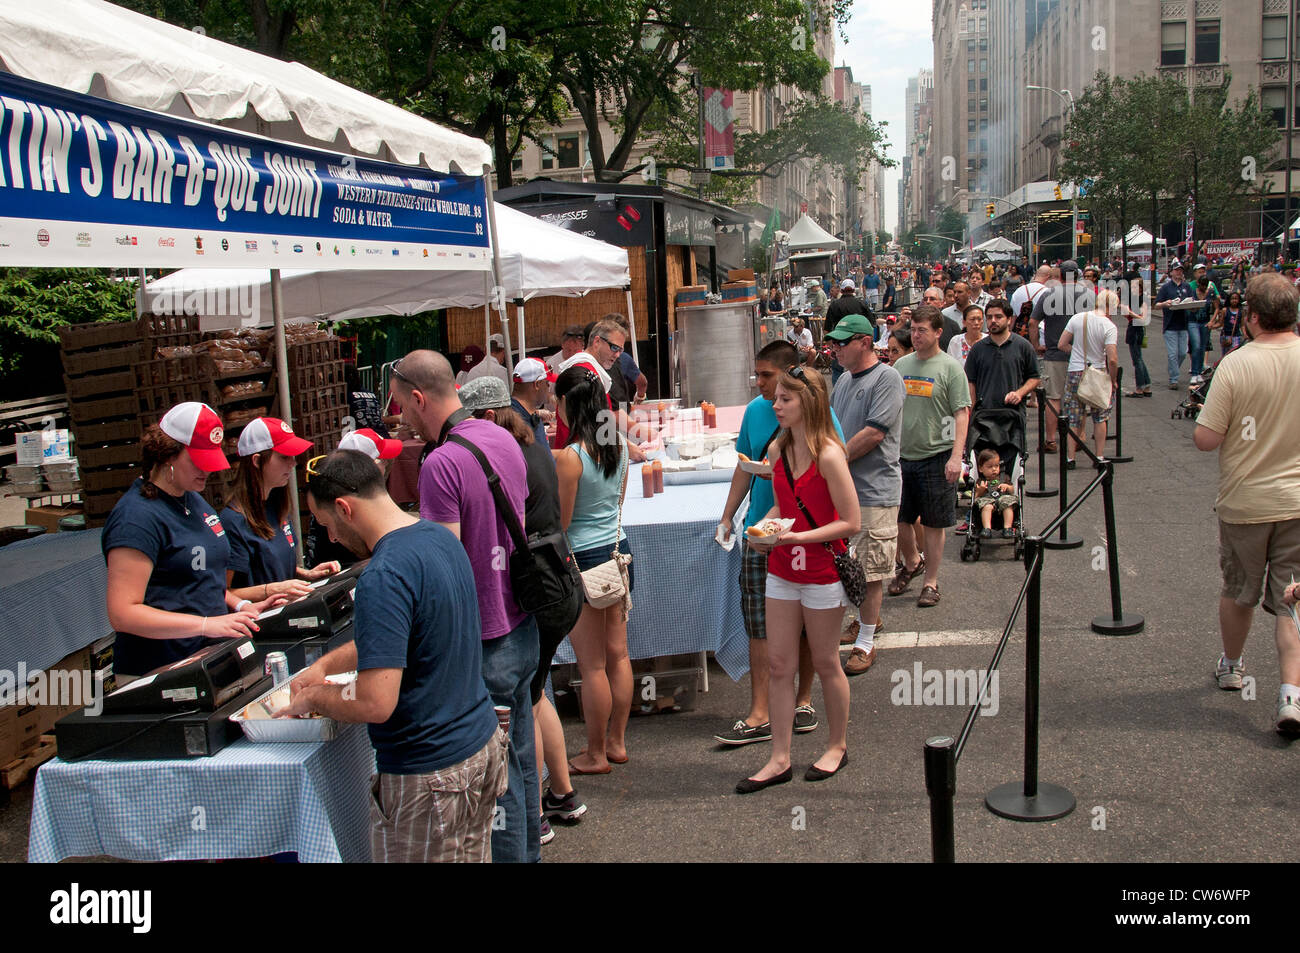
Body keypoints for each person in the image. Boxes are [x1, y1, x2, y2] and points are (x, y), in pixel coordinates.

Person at [284, 450, 507, 862]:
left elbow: (375, 701)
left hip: (430, 775)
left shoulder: (383, 574)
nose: (331, 538)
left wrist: (314, 698)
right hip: (480, 745)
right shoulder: (439, 536)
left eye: (327, 525)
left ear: (344, 508)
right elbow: (410, 633)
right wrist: (325, 666)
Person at [389, 349, 540, 863]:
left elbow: (445, 565)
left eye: (399, 405)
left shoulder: (441, 462)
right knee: (520, 759)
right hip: (522, 621)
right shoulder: (502, 436)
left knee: (496, 782)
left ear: (417, 397)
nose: (398, 417)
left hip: (484, 635)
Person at [457, 375, 587, 845]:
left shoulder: (501, 453)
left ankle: (535, 815)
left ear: (487, 417)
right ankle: (562, 795)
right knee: (533, 694)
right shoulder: (531, 444)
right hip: (557, 578)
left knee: (523, 703)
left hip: (534, 588)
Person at [736, 365, 859, 793]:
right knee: (779, 664)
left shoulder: (829, 453)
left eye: (785, 399)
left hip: (823, 571)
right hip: (783, 569)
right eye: (777, 398)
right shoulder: (778, 451)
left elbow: (851, 521)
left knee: (825, 662)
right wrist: (762, 531)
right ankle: (779, 757)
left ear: (807, 402)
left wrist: (798, 535)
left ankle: (838, 745)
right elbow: (779, 507)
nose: (776, 405)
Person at [102, 403, 286, 678]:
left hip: (209, 657)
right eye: (197, 460)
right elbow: (123, 613)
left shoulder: (192, 499)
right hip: (161, 668)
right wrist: (205, 625)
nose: (207, 471)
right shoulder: (136, 518)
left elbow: (199, 580)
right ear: (167, 455)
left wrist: (240, 606)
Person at [717, 340, 841, 745]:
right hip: (764, 532)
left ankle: (803, 702)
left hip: (809, 537)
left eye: (767, 376)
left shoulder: (823, 419)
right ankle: (760, 710)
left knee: (808, 630)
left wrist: (792, 481)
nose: (760, 384)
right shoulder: (756, 414)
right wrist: (728, 516)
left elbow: (836, 476)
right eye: (758, 375)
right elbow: (744, 468)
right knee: (759, 624)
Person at [1193, 273, 1300, 735]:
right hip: (1297, 502)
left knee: (1240, 590)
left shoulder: (1236, 365)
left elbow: (1205, 439)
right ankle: (1290, 696)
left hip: (1246, 502)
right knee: (1292, 601)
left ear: (1252, 317)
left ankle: (1233, 665)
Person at [553, 365, 634, 775]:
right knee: (618, 655)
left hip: (583, 561)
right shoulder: (617, 444)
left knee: (592, 665)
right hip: (618, 554)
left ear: (568, 404)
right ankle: (617, 742)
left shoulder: (571, 458)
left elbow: (562, 523)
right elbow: (617, 505)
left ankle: (596, 752)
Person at [828, 314, 906, 676]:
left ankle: (866, 641)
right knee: (850, 563)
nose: (836, 349)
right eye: (834, 343)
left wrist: (833, 459)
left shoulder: (887, 379)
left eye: (842, 343)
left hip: (874, 489)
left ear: (864, 341)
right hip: (845, 488)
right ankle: (864, 623)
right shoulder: (843, 380)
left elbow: (875, 433)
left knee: (871, 569)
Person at [887, 305, 970, 608]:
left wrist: (956, 457)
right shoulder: (901, 366)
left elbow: (962, 414)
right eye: (913, 329)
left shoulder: (950, 368)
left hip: (937, 456)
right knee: (899, 517)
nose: (916, 335)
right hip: (901, 457)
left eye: (922, 330)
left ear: (938, 332)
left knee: (934, 524)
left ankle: (930, 582)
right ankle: (911, 562)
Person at [221, 417, 336, 594]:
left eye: (293, 457)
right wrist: (272, 590)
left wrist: (306, 574)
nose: (293, 464)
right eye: (284, 457)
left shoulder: (277, 506)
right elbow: (225, 594)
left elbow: (273, 569)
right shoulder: (233, 521)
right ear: (257, 461)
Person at [307, 428, 403, 568]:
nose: (387, 464)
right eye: (381, 460)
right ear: (366, 467)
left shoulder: (361, 493)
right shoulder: (348, 501)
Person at [1030, 261, 1094, 453]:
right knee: (1080, 397)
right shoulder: (1089, 295)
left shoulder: (1049, 295)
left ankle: (1050, 440)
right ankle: (1079, 437)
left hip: (1054, 354)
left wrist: (1036, 346)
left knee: (1053, 398)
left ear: (1059, 276)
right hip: (1082, 355)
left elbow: (1033, 322)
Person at [1057, 289, 1120, 466]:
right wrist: (1113, 380)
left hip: (1075, 370)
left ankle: (1070, 457)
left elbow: (1062, 344)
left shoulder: (1078, 318)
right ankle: (1099, 456)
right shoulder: (1108, 326)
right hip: (1098, 372)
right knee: (1100, 416)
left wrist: (1076, 353)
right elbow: (1112, 358)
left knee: (1073, 415)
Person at [1156, 261, 1195, 389]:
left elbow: (1192, 302)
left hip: (1183, 325)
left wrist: (1192, 306)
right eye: (1176, 270)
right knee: (1173, 354)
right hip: (1170, 325)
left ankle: (1173, 369)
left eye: (1181, 270)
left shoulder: (1187, 287)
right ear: (1171, 272)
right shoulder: (1166, 288)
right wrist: (1165, 303)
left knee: (1183, 353)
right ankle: (1174, 379)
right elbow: (1156, 305)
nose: (1179, 272)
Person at [1123, 263, 1153, 397]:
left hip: (1137, 330)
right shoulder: (1135, 298)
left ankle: (1140, 387)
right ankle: (1146, 386)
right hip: (1133, 328)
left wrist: (1129, 311)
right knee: (1138, 359)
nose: (1132, 288)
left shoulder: (1143, 299)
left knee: (1137, 360)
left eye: (1134, 286)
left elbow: (1142, 317)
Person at [511, 357, 555, 446]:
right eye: (547, 383)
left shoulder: (523, 414)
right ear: (537, 384)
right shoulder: (515, 422)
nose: (548, 387)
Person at [1188, 270, 1219, 385]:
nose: (1204, 288)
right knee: (1195, 346)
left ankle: (1199, 372)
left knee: (1202, 347)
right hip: (1193, 322)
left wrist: (1212, 321)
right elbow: (1187, 305)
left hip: (1205, 322)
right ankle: (1194, 373)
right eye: (1202, 286)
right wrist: (1192, 308)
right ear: (1198, 285)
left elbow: (1217, 307)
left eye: (1205, 286)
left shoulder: (1210, 292)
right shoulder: (1192, 292)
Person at [1213, 290, 1246, 356]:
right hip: (1225, 336)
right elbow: (1220, 323)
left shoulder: (1241, 311)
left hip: (1236, 335)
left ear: (1239, 300)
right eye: (1232, 299)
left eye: (1236, 299)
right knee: (1225, 355)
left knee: (1234, 354)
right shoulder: (1225, 310)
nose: (1234, 301)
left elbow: (1242, 325)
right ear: (1229, 300)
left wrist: (1245, 334)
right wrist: (1212, 326)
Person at [939, 282, 970, 351]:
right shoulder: (945, 313)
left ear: (969, 293)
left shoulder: (979, 312)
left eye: (960, 292)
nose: (956, 295)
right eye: (955, 292)